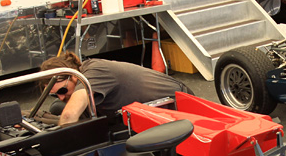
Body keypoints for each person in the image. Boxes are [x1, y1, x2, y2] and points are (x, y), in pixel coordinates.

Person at [40, 51, 192, 125]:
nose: (61, 97)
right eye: (55, 95)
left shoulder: (94, 71)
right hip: (144, 112)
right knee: (56, 108)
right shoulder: (82, 81)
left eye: (62, 91)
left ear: (73, 76)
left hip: (180, 106)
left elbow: (69, 116)